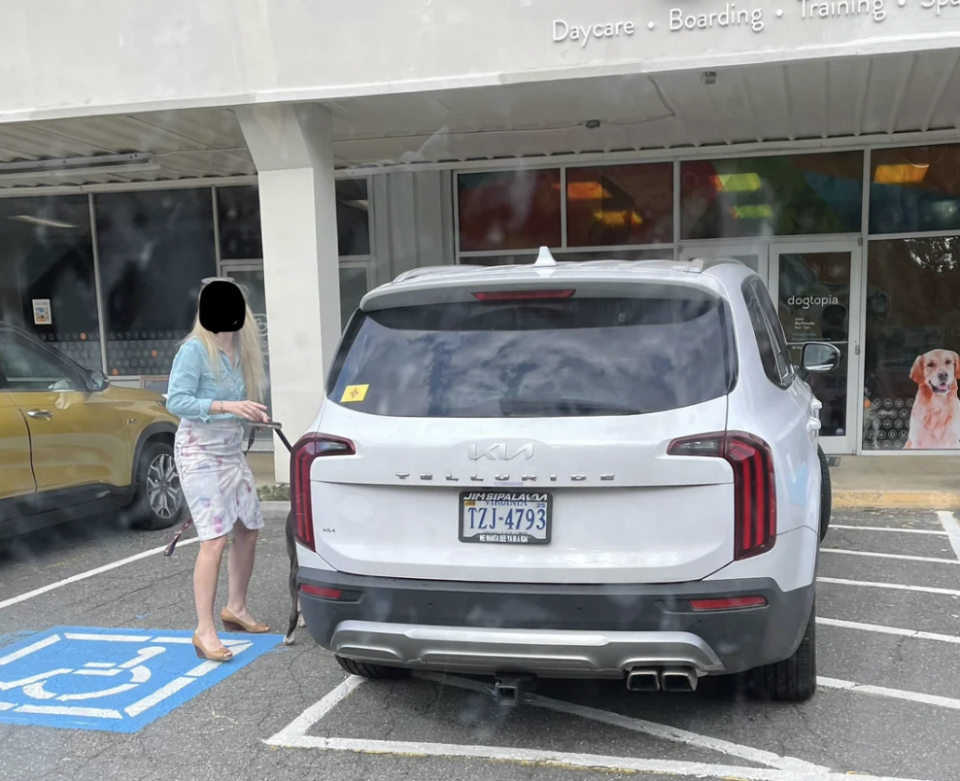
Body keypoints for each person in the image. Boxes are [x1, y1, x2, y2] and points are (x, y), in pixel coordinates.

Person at [165, 278, 271, 662]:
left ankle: (236, 609)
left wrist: (252, 414)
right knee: (214, 538)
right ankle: (203, 630)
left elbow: (238, 402)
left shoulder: (242, 351)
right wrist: (228, 406)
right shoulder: (195, 350)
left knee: (249, 529)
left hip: (230, 452)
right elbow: (176, 400)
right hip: (199, 453)